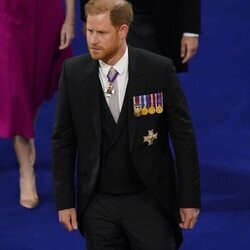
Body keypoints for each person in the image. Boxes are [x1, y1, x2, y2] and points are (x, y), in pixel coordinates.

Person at [52, 0, 201, 249]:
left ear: (122, 31)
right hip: (98, 204)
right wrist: (65, 201)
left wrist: (189, 199)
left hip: (149, 200)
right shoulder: (73, 73)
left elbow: (183, 138)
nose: (92, 40)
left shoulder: (158, 70)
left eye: (101, 33)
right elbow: (63, 141)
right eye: (89, 31)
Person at [0, 0, 75, 209]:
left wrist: (69, 20)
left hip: (45, 12)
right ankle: (26, 172)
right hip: (7, 15)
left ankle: (26, 130)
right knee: (15, 92)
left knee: (36, 85)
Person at [80, 0, 201, 72]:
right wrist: (88, 16)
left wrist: (190, 31)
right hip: (111, 13)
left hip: (160, 20)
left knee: (156, 78)